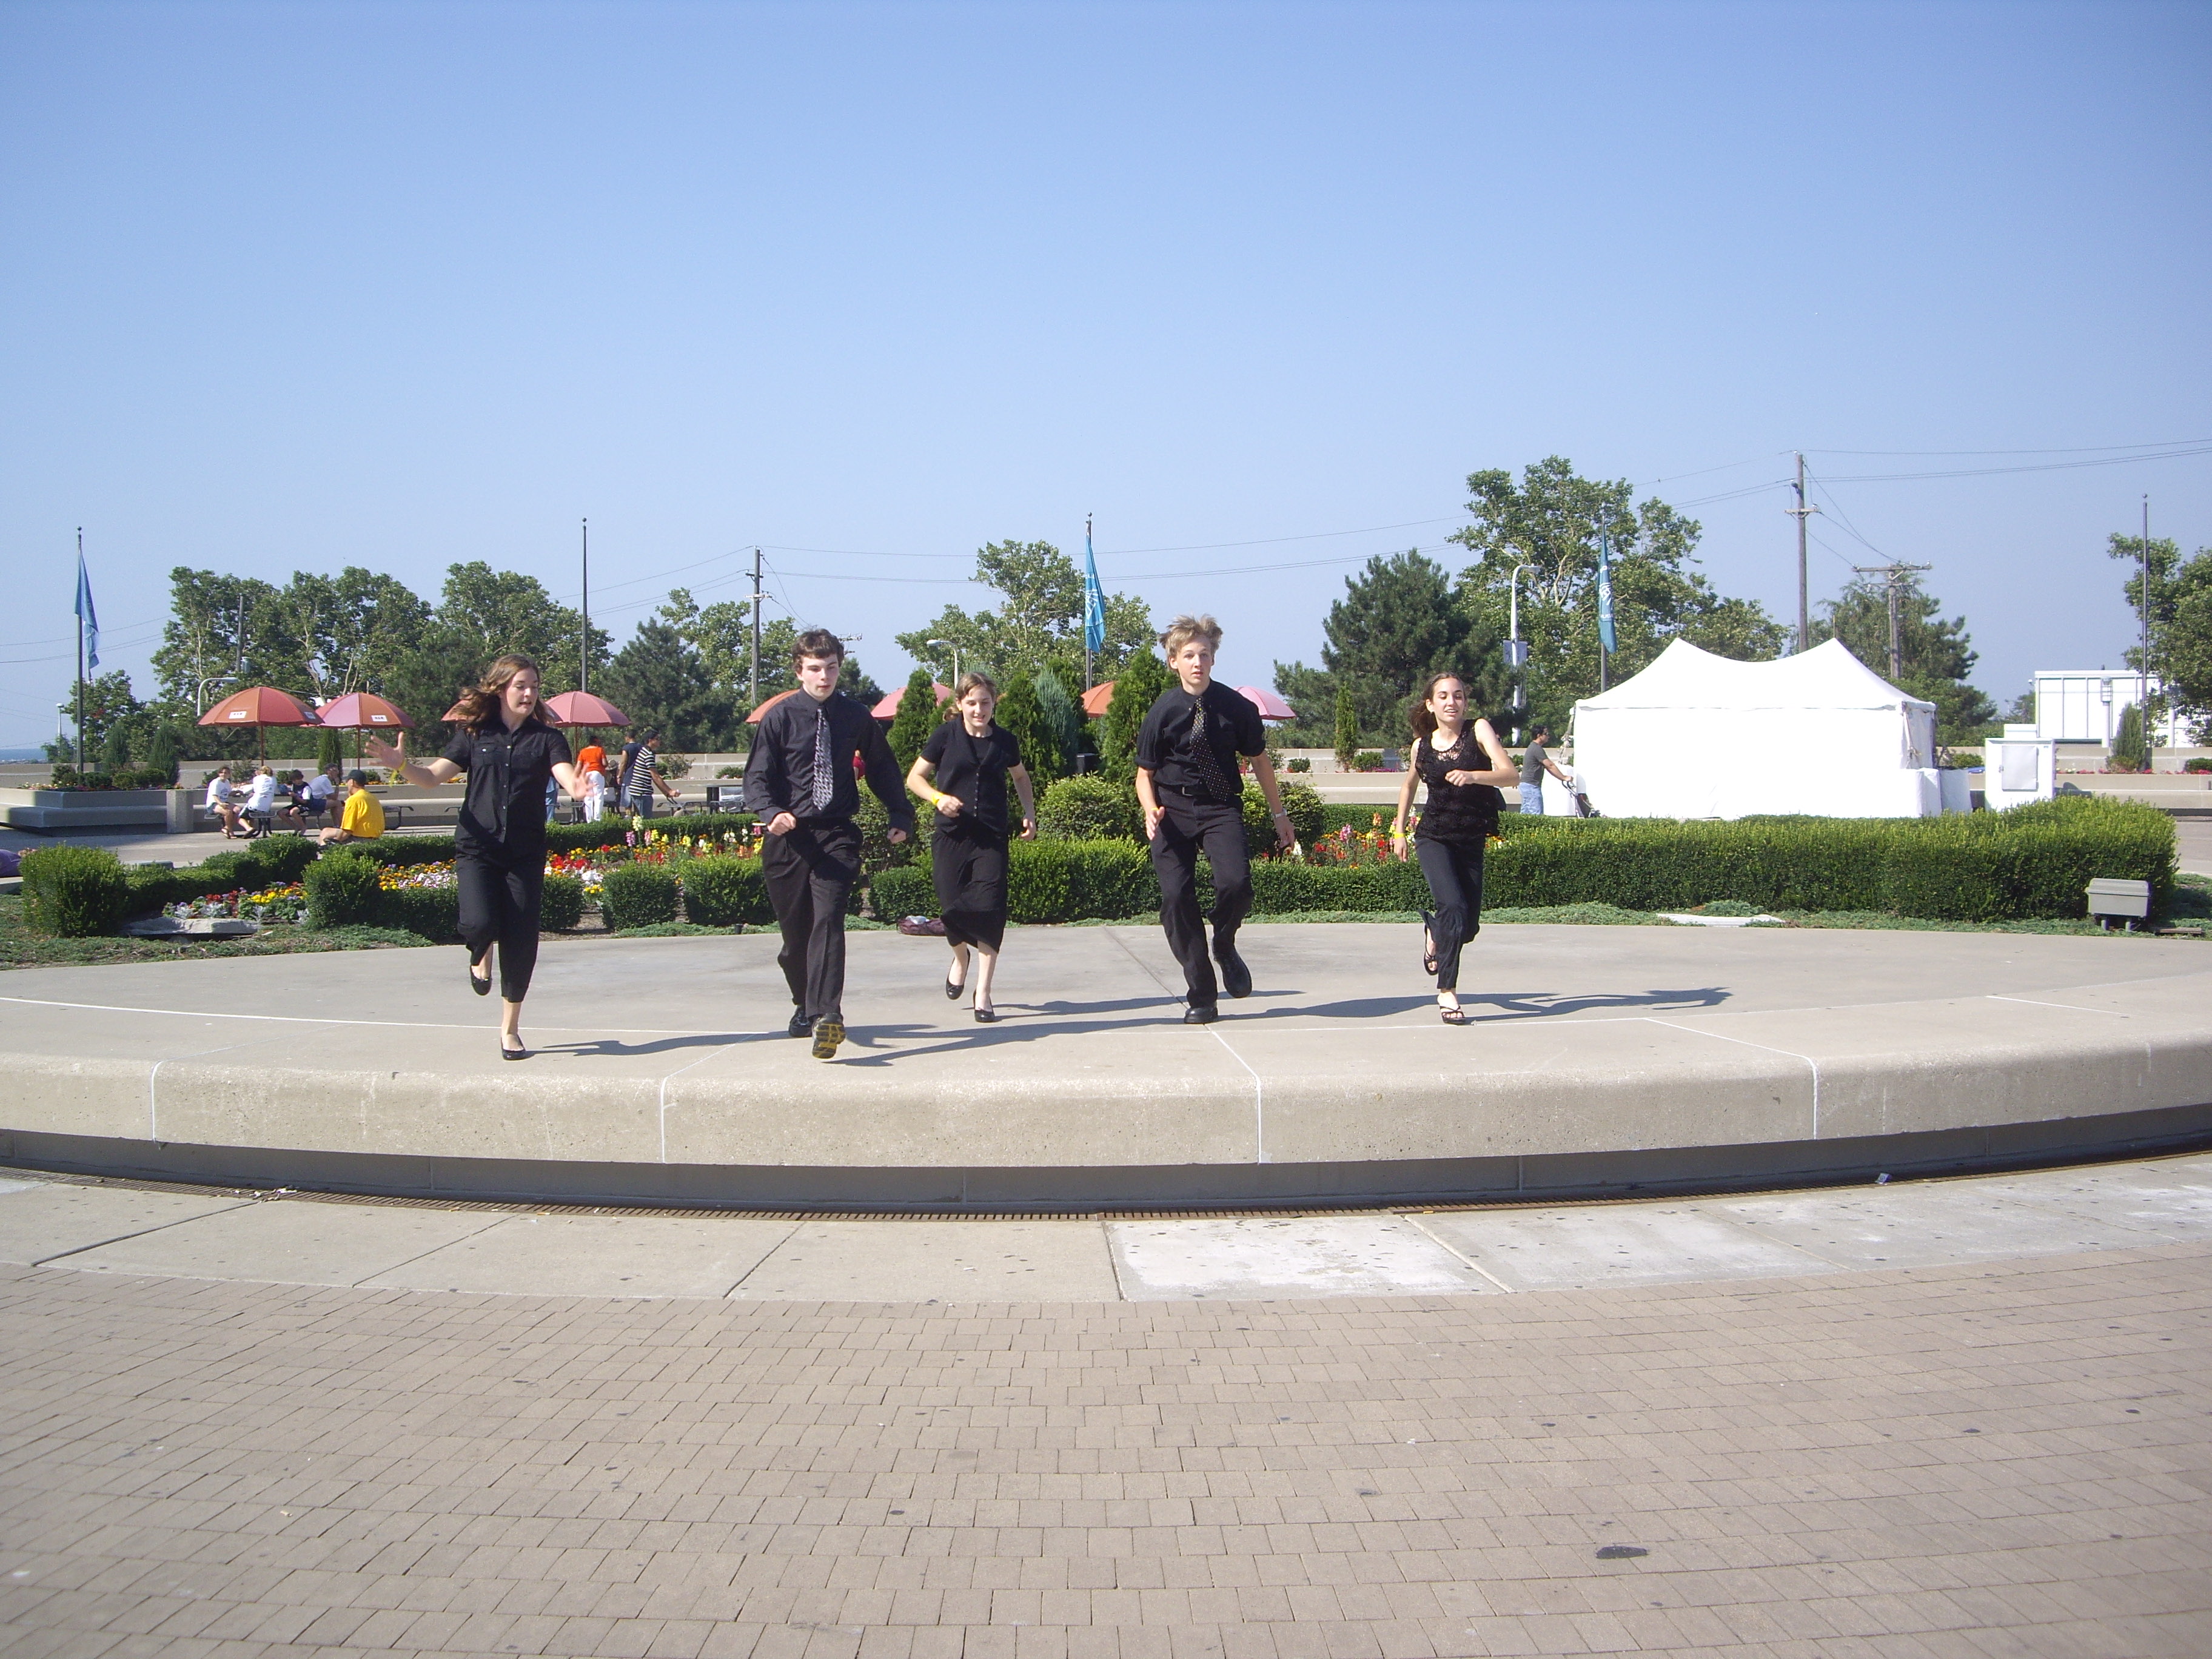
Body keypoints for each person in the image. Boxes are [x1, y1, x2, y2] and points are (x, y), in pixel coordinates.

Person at [370, 655, 588, 1061]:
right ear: (502, 688)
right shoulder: (474, 734)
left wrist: (575, 786)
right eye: (521, 685)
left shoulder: (547, 738)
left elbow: (563, 773)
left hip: (524, 852)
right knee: (479, 922)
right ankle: (479, 950)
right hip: (478, 846)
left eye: (535, 687)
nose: (529, 693)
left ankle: (510, 1030)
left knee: (521, 940)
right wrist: (402, 765)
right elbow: (433, 778)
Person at [743, 629, 913, 1059]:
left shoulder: (856, 716)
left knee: (829, 921)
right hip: (788, 838)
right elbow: (756, 777)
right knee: (795, 941)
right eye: (816, 669)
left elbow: (882, 768)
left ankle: (828, 1016)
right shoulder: (779, 718)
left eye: (831, 667)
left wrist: (899, 812)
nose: (825, 676)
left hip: (836, 834)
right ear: (800, 670)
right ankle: (805, 1004)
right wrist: (770, 812)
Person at [1133, 615, 1296, 1024]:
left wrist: (1280, 816)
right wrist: (1149, 809)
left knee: (1236, 885)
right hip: (1172, 811)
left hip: (1220, 807)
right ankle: (1202, 993)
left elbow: (1260, 761)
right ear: (1173, 661)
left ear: (1213, 659)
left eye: (1204, 654)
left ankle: (1224, 942)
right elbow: (1143, 774)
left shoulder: (1236, 707)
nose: (1197, 662)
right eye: (1188, 655)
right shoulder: (1163, 711)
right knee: (1175, 900)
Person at [905, 671, 1037, 1022]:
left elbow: (1021, 777)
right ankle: (960, 957)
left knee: (990, 909)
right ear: (960, 704)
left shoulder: (1004, 741)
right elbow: (914, 778)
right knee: (951, 907)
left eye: (986, 703)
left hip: (991, 837)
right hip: (951, 835)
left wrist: (1029, 813)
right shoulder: (945, 737)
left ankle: (984, 992)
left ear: (994, 703)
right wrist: (937, 798)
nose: (979, 710)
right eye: (972, 703)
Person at [1392, 674, 1518, 1024]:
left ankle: (1434, 931)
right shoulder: (1422, 746)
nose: (1452, 702)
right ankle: (1447, 991)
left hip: (1471, 838)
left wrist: (1474, 775)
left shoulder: (1478, 730)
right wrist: (1399, 831)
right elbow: (1408, 788)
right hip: (1434, 837)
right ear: (1431, 705)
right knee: (1453, 907)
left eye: (1458, 696)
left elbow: (1510, 775)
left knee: (1468, 927)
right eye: (1444, 696)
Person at [618, 730, 681, 817]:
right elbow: (655, 776)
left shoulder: (645, 751)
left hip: (638, 791)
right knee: (647, 821)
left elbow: (654, 777)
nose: (660, 741)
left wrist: (666, 793)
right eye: (657, 739)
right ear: (650, 740)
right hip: (642, 792)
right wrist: (670, 791)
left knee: (640, 820)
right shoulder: (648, 755)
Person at [318, 771, 386, 845]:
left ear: (352, 782)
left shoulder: (354, 800)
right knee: (326, 831)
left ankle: (326, 854)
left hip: (359, 840)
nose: (347, 784)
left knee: (326, 838)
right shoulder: (372, 797)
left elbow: (347, 831)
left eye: (348, 781)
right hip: (375, 838)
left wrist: (335, 842)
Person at [1518, 725, 1570, 815]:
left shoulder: (1533, 747)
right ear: (1539, 736)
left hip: (1527, 786)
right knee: (1536, 816)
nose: (1548, 736)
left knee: (1526, 816)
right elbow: (1550, 765)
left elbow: (1548, 767)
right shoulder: (1536, 749)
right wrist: (1564, 778)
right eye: (1546, 734)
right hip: (1531, 787)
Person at [204, 765, 243, 837]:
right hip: (214, 804)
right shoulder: (216, 783)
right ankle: (230, 832)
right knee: (228, 812)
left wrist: (237, 792)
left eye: (226, 773)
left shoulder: (227, 782)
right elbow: (215, 796)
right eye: (222, 773)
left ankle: (226, 828)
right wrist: (221, 804)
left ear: (229, 775)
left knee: (238, 810)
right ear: (219, 774)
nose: (224, 775)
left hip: (224, 802)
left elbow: (228, 793)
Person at [241, 764, 279, 834]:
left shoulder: (257, 778)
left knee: (241, 818)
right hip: (267, 807)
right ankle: (250, 831)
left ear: (261, 772)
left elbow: (255, 789)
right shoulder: (274, 779)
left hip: (255, 804)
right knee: (251, 814)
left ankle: (249, 829)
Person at [304, 762, 343, 828]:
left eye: (337, 770)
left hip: (311, 801)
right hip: (312, 802)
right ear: (328, 771)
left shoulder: (321, 778)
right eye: (334, 771)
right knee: (338, 803)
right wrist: (337, 785)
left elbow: (330, 797)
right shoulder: (325, 781)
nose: (337, 773)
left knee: (334, 804)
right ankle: (342, 825)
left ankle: (337, 825)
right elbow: (334, 797)